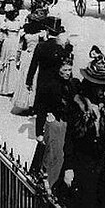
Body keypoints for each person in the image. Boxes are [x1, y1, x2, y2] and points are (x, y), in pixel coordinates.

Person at [60, 47, 105, 208]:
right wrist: (69, 168)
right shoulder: (78, 104)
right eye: (98, 87)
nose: (101, 91)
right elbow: (69, 139)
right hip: (81, 163)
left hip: (99, 164)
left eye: (103, 87)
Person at [35, 57, 80, 188]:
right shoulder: (49, 85)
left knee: (64, 156)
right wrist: (39, 132)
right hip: (55, 125)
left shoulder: (72, 85)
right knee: (53, 156)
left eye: (70, 70)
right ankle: (46, 185)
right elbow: (41, 109)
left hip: (68, 124)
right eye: (64, 70)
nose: (67, 72)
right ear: (58, 69)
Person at [26, 16, 73, 113]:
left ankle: (40, 128)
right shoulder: (62, 48)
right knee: (55, 110)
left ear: (47, 31)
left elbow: (33, 65)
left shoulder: (40, 46)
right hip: (57, 83)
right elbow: (67, 67)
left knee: (41, 112)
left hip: (42, 82)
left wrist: (29, 81)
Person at [11, 20, 45, 114]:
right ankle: (33, 103)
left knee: (25, 78)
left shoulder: (25, 34)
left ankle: (26, 102)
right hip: (36, 56)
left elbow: (19, 48)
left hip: (27, 57)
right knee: (35, 79)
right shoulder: (40, 34)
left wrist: (17, 60)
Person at [0, 2, 22, 96]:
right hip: (15, 42)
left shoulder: (5, 24)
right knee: (13, 63)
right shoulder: (18, 24)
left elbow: (1, 37)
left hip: (7, 42)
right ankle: (13, 87)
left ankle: (4, 87)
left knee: (5, 63)